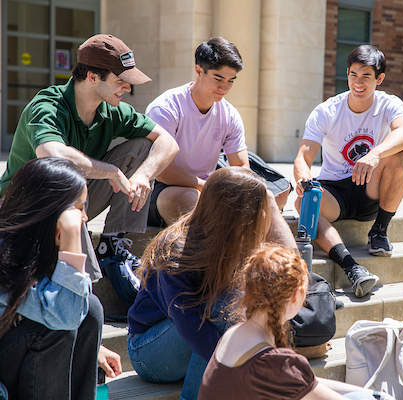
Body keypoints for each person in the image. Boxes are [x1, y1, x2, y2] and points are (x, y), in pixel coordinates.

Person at [0, 34, 179, 283]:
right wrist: (112, 171)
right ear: (93, 77)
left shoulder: (112, 111)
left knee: (141, 147)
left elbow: (167, 141)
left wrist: (143, 175)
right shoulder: (48, 105)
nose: (128, 88)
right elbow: (52, 154)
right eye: (121, 81)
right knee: (66, 184)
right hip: (22, 209)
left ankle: (113, 247)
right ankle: (86, 285)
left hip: (72, 201)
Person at [127, 167, 297, 400]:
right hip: (149, 352)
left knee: (237, 304)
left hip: (195, 348)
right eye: (260, 209)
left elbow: (290, 277)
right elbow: (189, 324)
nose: (264, 216)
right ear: (235, 213)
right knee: (224, 308)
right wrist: (239, 367)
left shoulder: (234, 241)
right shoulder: (175, 247)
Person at [294, 44, 403, 298]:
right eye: (353, 75)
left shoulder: (388, 104)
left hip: (370, 189)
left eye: (366, 77)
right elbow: (303, 158)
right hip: (335, 191)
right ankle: (351, 267)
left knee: (401, 156)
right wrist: (303, 180)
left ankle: (379, 231)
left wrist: (375, 154)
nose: (358, 83)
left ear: (379, 79)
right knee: (303, 202)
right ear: (347, 73)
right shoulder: (327, 110)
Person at [198, 244, 395, 400]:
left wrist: (373, 394)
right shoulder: (275, 362)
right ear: (297, 296)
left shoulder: (233, 333)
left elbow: (307, 383)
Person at [0, 157, 122, 399]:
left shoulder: (36, 247)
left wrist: (92, 347)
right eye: (78, 209)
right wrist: (70, 237)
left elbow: (71, 311)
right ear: (48, 209)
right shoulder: (5, 253)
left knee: (90, 311)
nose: (84, 218)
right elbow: (62, 317)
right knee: (54, 328)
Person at [145, 37, 290, 227]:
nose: (225, 88)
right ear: (198, 71)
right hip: (159, 190)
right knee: (191, 198)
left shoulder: (229, 115)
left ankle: (288, 257)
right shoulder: (166, 108)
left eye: (231, 81)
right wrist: (210, 188)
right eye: (218, 78)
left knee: (267, 198)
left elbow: (240, 167)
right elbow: (163, 171)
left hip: (207, 188)